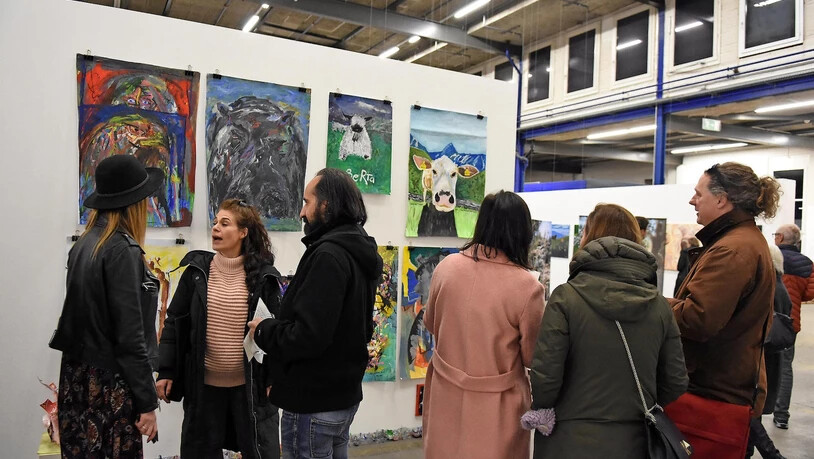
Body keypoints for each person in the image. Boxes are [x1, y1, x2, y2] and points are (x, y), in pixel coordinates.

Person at [530, 203, 688, 458]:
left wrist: (543, 409)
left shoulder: (566, 298)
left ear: (590, 237)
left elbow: (545, 377)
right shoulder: (660, 306)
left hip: (569, 438)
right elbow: (676, 380)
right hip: (635, 441)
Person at [248, 168, 382, 459]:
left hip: (313, 402)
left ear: (326, 205)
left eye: (307, 202)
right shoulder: (356, 249)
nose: (301, 212)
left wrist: (264, 330)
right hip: (341, 397)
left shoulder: (328, 256)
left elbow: (309, 335)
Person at [49, 155, 164, 457]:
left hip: (78, 380)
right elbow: (130, 337)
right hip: (109, 386)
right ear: (134, 203)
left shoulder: (85, 244)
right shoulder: (121, 250)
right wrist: (147, 402)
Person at [421, 191, 546, 459]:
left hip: (445, 393)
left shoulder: (446, 268)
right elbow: (532, 356)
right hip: (498, 406)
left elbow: (431, 324)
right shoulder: (528, 287)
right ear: (522, 231)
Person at [156, 199, 282, 459]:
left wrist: (275, 378)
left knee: (261, 452)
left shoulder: (264, 278)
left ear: (243, 232)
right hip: (203, 388)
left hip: (250, 389)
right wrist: (166, 371)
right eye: (215, 222)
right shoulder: (196, 273)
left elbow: (277, 332)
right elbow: (175, 321)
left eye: (225, 224)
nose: (216, 228)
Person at [669, 162, 780, 455]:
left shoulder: (732, 249)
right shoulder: (738, 242)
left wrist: (653, 302)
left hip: (714, 393)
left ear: (721, 199)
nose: (692, 200)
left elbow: (698, 319)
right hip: (721, 386)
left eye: (698, 194)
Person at [746, 244, 790, 459]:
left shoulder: (771, 287)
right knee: (753, 411)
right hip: (770, 356)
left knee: (751, 411)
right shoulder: (779, 286)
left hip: (763, 356)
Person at [772, 223, 814, 429]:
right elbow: (810, 293)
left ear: (779, 238)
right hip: (790, 322)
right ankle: (781, 416)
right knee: (785, 368)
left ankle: (755, 411)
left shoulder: (770, 257)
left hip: (766, 319)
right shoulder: (806, 263)